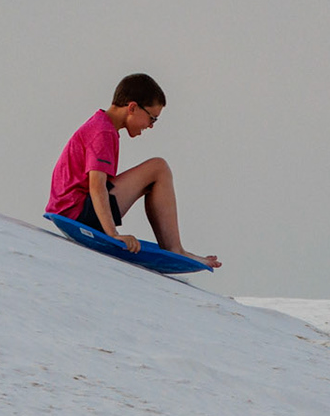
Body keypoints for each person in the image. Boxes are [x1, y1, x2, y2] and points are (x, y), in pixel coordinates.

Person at [46, 73, 220, 269]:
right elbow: (97, 186)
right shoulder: (102, 131)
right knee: (158, 168)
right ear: (132, 107)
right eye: (151, 118)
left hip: (73, 209)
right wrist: (112, 234)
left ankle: (174, 247)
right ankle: (175, 249)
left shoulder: (102, 125)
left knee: (156, 172)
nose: (151, 126)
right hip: (77, 214)